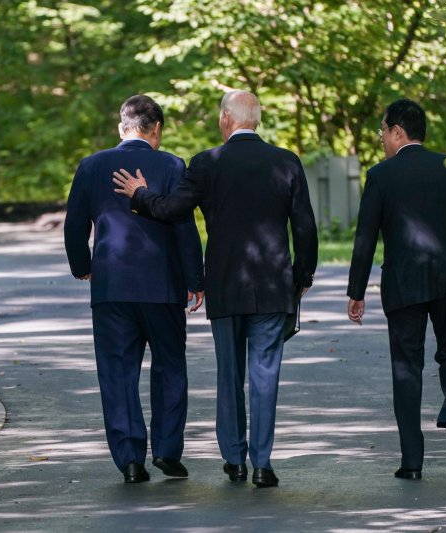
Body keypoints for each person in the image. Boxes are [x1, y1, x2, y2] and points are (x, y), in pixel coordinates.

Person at [113, 90, 318, 487]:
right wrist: (302, 276)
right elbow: (305, 227)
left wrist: (140, 195)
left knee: (229, 375)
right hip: (274, 285)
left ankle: (234, 460)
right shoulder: (286, 161)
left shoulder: (207, 163)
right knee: (265, 376)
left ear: (226, 119)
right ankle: (263, 464)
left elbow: (174, 210)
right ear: (255, 119)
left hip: (225, 284)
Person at [64, 95, 205, 484]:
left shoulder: (91, 166)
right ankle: (167, 450)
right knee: (170, 367)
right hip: (163, 287)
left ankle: (129, 458)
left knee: (117, 373)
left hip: (111, 288)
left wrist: (84, 269)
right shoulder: (172, 165)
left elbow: (75, 225)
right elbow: (183, 226)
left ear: (121, 126)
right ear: (156, 129)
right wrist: (195, 279)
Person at [346, 99, 446, 480]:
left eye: (383, 132)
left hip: (403, 283)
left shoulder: (381, 176)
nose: (381, 140)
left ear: (398, 131)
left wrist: (356, 290)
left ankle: (412, 462)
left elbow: (365, 238)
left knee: (406, 368)